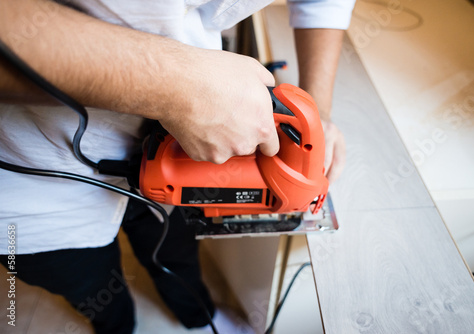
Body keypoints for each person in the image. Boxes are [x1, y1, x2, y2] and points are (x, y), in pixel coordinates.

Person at [0, 0, 354, 332]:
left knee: (178, 258)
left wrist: (317, 115)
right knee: (92, 291)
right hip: (32, 187)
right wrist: (176, 87)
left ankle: (199, 318)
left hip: (179, 158)